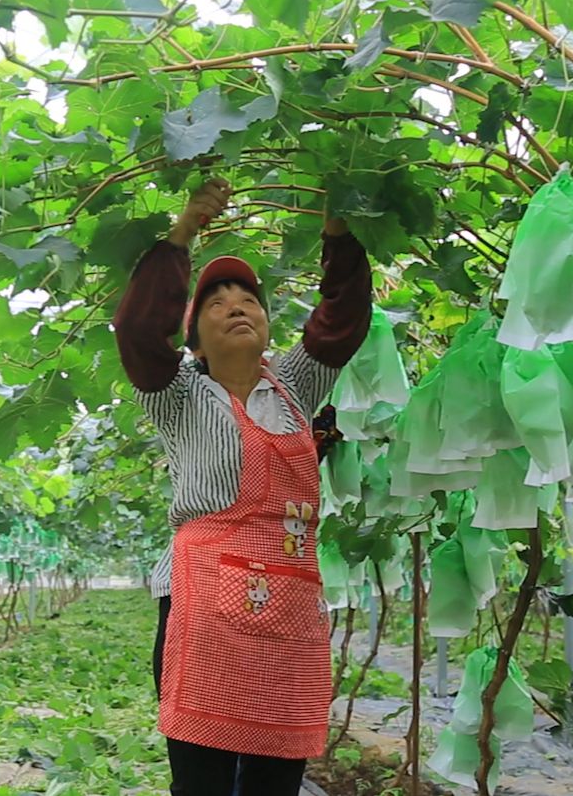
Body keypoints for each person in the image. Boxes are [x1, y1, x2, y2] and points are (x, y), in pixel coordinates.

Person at [113, 178, 373, 796]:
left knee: (275, 783)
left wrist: (336, 236)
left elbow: (341, 323)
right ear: (195, 341)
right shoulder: (179, 393)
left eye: (249, 299)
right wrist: (182, 234)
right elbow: (138, 333)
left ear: (265, 325)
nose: (237, 305)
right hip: (201, 608)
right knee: (201, 785)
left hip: (287, 610)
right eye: (217, 300)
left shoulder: (295, 387)